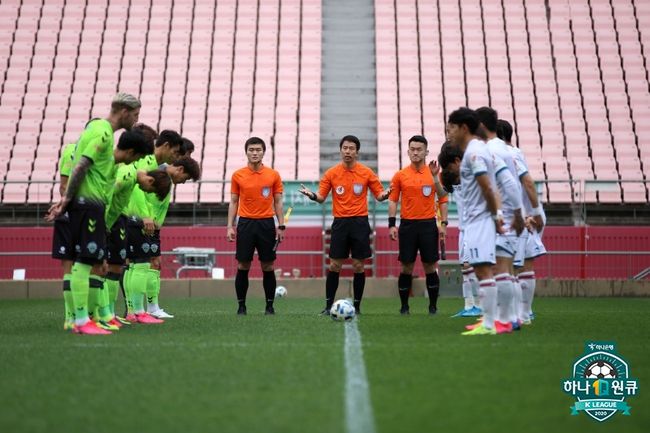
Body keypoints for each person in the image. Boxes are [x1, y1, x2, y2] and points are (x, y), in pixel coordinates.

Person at [46, 92, 142, 335]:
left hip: (88, 204)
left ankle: (81, 319)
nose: (136, 119)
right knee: (84, 261)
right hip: (88, 204)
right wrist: (66, 200)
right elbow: (81, 165)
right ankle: (80, 320)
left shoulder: (98, 128)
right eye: (135, 114)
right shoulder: (103, 132)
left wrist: (67, 201)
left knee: (87, 261)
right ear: (124, 112)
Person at [299, 135, 391, 314]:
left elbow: (379, 195)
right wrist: (311, 194)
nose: (348, 151)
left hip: (359, 222)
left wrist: (386, 194)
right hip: (340, 223)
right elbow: (321, 198)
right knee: (335, 265)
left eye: (351, 148)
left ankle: (357, 307)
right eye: (345, 148)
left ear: (357, 152)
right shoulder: (331, 173)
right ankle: (327, 306)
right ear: (341, 150)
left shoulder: (366, 173)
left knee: (358, 265)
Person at [439, 107, 504, 336]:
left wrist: (497, 216)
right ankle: (490, 320)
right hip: (477, 220)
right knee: (483, 269)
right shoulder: (476, 150)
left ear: (463, 128)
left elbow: (487, 186)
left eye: (452, 129)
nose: (450, 133)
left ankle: (491, 322)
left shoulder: (474, 153)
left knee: (486, 271)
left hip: (480, 220)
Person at [103, 130, 171, 327]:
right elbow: (107, 195)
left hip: (116, 220)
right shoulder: (127, 175)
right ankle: (99, 315)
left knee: (114, 267)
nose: (148, 192)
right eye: (152, 190)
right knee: (100, 267)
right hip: (112, 220)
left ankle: (108, 314)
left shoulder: (131, 173)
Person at [476, 107, 525, 333]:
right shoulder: (508, 150)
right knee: (506, 270)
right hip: (508, 214)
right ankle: (512, 317)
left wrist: (508, 213)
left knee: (498, 270)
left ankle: (501, 319)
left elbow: (503, 185)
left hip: (498, 216)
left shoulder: (489, 151)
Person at [388, 135, 449, 315]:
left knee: (430, 266)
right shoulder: (400, 175)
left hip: (428, 225)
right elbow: (393, 201)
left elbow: (443, 199)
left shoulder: (434, 174)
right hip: (407, 225)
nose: (415, 152)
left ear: (426, 152)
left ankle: (433, 307)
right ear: (408, 152)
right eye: (412, 149)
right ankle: (404, 306)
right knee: (406, 266)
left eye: (419, 149)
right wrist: (392, 225)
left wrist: (443, 224)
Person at [227, 137, 284, 315]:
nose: (254, 153)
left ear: (263, 152)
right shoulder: (238, 175)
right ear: (246, 152)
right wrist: (230, 226)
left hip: (267, 224)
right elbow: (234, 201)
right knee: (243, 265)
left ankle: (269, 306)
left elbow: (278, 202)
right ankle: (241, 306)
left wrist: (281, 226)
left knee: (268, 266)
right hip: (245, 223)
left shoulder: (273, 175)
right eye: (251, 149)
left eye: (258, 150)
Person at [497, 119, 546, 324]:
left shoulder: (510, 154)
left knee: (516, 267)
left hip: (522, 216)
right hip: (524, 213)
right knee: (520, 266)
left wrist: (531, 212)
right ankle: (523, 313)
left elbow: (526, 182)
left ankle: (519, 315)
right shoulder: (515, 152)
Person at [144, 156, 201, 318]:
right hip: (144, 225)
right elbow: (143, 197)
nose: (184, 182)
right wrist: (145, 217)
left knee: (154, 264)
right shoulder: (154, 172)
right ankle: (138, 309)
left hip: (152, 228)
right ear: (180, 169)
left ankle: (151, 308)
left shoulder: (166, 178)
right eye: (186, 178)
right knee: (138, 265)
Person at [51, 142, 76, 330]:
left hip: (68, 212)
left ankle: (71, 317)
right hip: (83, 213)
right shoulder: (98, 151)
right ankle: (79, 316)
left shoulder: (70, 150)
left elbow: (63, 186)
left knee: (70, 267)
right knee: (84, 266)